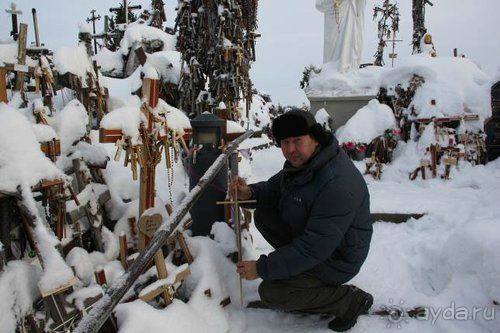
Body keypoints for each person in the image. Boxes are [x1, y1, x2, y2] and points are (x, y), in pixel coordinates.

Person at [234, 109, 373, 332]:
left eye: (297, 141)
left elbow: (312, 248)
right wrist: (249, 193)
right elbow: (274, 188)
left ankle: (348, 301)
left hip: (338, 259)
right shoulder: (307, 164)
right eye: (284, 142)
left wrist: (262, 268)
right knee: (265, 213)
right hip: (321, 244)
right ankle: (297, 270)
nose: (290, 150)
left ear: (315, 138)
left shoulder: (336, 182)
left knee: (272, 292)